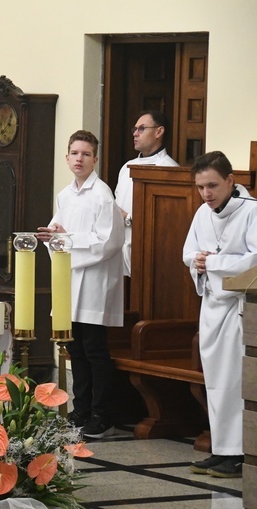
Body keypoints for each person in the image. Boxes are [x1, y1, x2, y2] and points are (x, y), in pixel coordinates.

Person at [36, 130, 124, 439]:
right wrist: (55, 234)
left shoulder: (102, 195)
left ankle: (103, 413)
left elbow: (108, 242)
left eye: (86, 154)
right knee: (76, 348)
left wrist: (66, 239)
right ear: (67, 157)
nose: (79, 158)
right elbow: (55, 234)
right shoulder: (65, 194)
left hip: (95, 283)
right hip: (70, 281)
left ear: (95, 159)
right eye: (74, 153)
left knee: (94, 349)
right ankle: (81, 408)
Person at [183, 151, 257, 478]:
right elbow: (189, 251)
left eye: (212, 185)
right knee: (215, 382)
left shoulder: (252, 211)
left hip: (239, 308)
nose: (206, 194)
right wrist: (196, 261)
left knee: (233, 382)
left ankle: (239, 452)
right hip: (211, 304)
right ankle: (221, 448)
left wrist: (210, 263)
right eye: (200, 187)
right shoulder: (203, 212)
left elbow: (254, 260)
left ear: (230, 180)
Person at [114, 110, 178, 275]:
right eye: (134, 129)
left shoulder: (169, 169)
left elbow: (169, 221)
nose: (135, 133)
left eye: (142, 128)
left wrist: (128, 218)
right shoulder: (126, 167)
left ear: (159, 131)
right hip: (118, 252)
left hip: (149, 254)